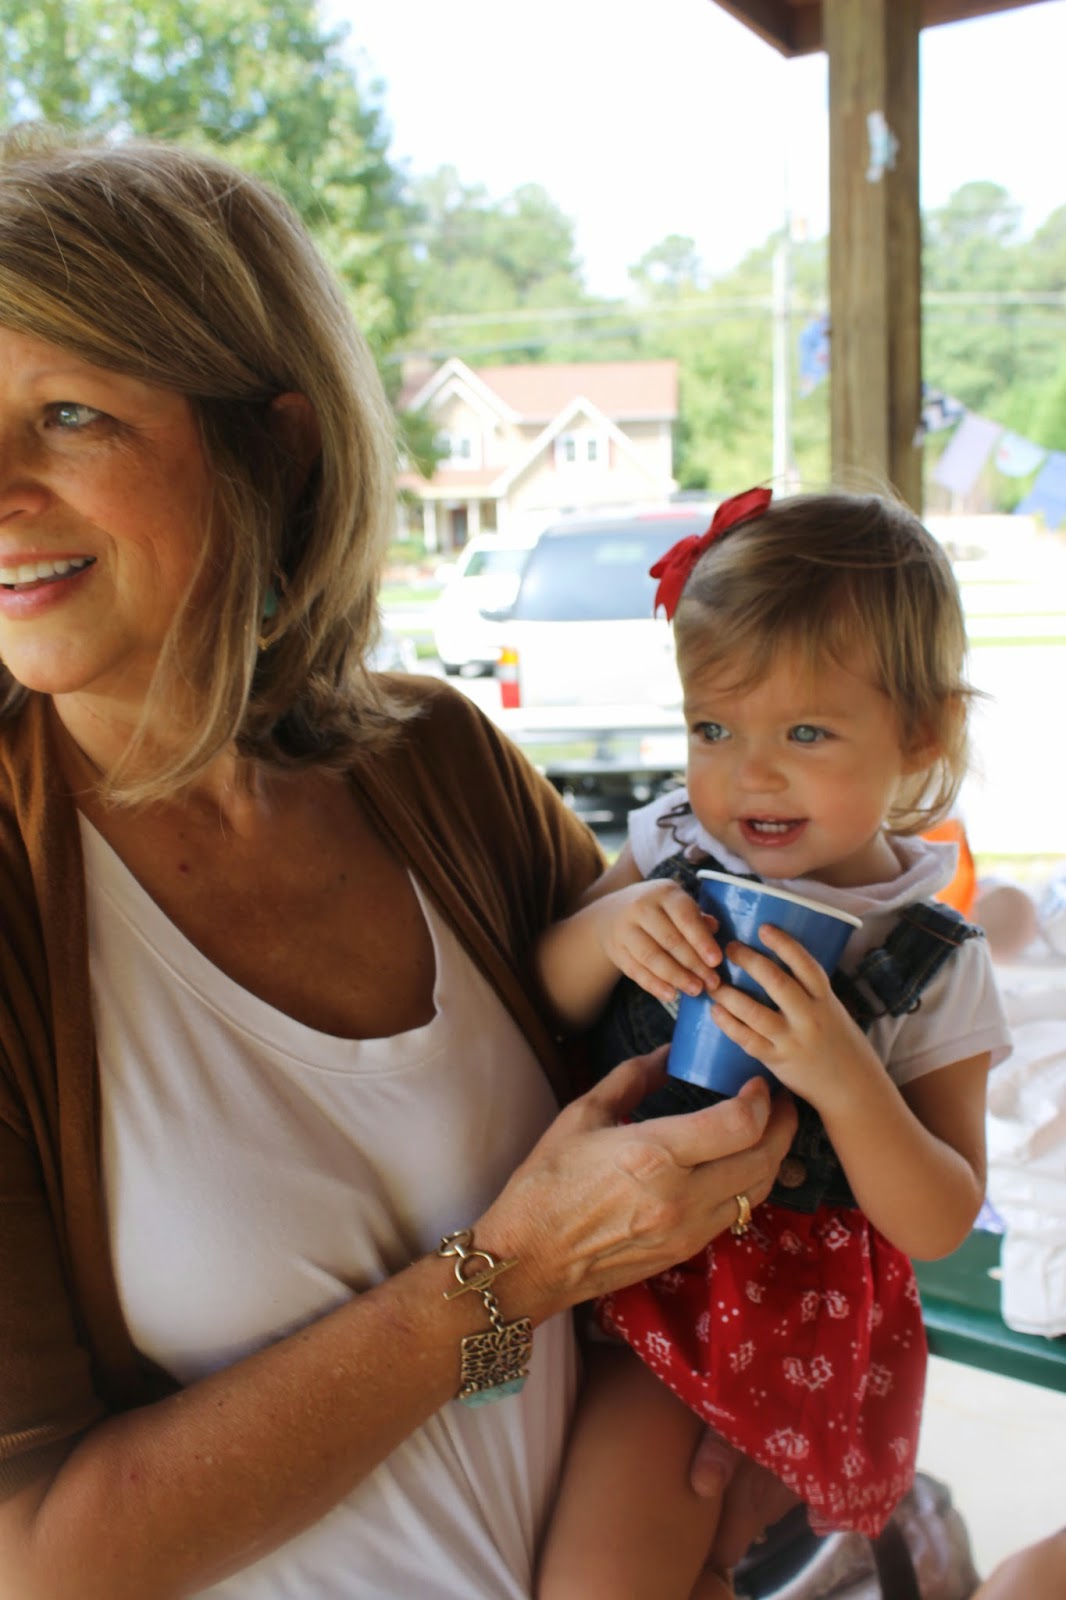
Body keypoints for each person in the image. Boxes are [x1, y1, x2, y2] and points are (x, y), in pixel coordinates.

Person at [0, 130, 800, 1600]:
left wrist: (723, 1430)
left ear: (274, 447)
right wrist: (507, 1280)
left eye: (67, 414)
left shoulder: (434, 763)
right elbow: (39, 1557)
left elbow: (691, 1113)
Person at [533, 488, 1012, 1599]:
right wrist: (612, 927)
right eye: (713, 728)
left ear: (922, 732)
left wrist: (848, 1079)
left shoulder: (931, 959)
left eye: (804, 733)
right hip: (587, 1249)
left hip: (761, 1322)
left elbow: (941, 1216)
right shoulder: (672, 842)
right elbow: (544, 994)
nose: (750, 774)